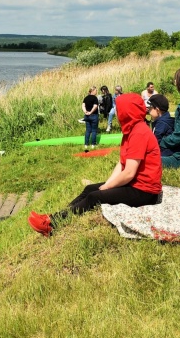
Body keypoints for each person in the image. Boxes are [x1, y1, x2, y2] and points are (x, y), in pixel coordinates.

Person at [28, 93, 162, 237]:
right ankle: (56, 217)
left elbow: (129, 172)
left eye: (118, 108)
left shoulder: (139, 133)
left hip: (144, 192)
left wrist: (107, 187)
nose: (116, 111)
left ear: (127, 111)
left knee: (94, 196)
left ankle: (52, 225)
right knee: (90, 189)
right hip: (135, 184)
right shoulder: (130, 131)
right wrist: (108, 184)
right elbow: (121, 164)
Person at [82, 86, 99, 151]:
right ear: (92, 91)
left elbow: (83, 105)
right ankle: (93, 144)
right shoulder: (95, 98)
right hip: (94, 115)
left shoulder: (86, 98)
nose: (96, 92)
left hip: (87, 116)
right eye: (96, 90)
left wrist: (86, 112)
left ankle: (86, 144)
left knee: (88, 130)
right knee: (94, 130)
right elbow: (95, 106)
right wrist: (91, 112)